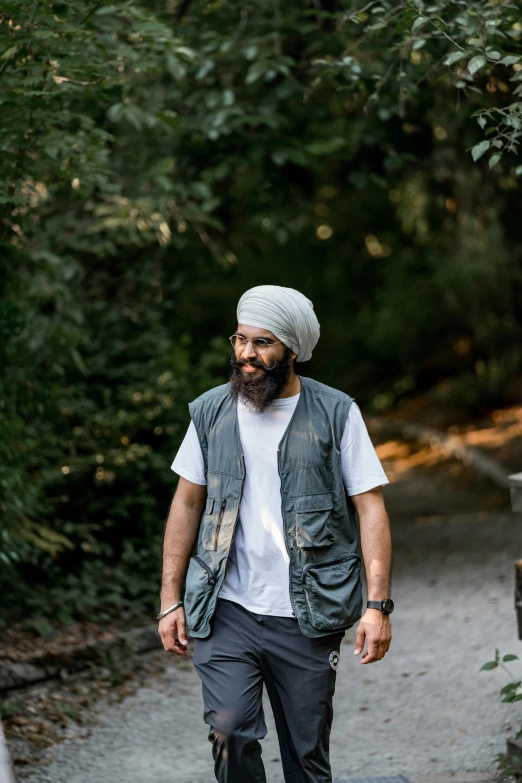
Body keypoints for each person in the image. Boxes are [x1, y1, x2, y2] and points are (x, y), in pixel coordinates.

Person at [158, 284, 393, 783]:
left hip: (307, 616)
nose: (246, 353)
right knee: (231, 734)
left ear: (292, 349)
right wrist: (169, 598)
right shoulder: (210, 413)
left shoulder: (336, 413)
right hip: (227, 610)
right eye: (240, 339)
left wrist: (377, 606)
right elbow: (186, 502)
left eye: (262, 343)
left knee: (306, 757)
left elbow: (370, 508)